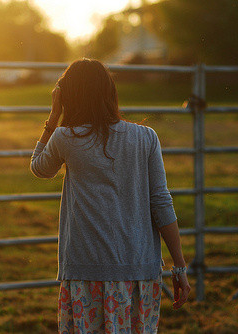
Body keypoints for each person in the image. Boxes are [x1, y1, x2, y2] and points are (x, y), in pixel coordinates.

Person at [30, 59, 190, 333]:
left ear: (68, 94)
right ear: (109, 91)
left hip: (87, 270)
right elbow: (161, 203)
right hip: (139, 269)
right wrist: (179, 267)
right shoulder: (146, 138)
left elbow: (39, 168)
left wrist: (53, 116)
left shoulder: (65, 137)